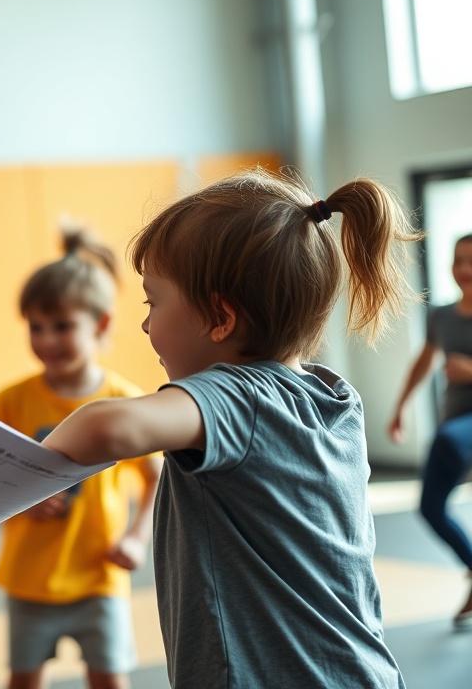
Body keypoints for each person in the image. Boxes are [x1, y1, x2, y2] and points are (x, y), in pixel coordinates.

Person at [40, 169, 411, 688]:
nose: (146, 325)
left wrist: (19, 472)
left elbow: (110, 428)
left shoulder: (240, 396)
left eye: (154, 301)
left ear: (220, 317)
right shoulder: (332, 397)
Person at [0, 226, 162, 689]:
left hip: (98, 577)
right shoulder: (12, 401)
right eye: (36, 327)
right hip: (29, 577)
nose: (47, 340)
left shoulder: (122, 401)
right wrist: (22, 499)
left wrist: (136, 538)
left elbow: (156, 478)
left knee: (108, 678)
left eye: (62, 326)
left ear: (101, 324)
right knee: (23, 679)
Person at [388, 232, 472, 628]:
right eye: (459, 260)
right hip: (454, 429)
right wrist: (401, 406)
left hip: (458, 435)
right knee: (430, 508)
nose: (465, 269)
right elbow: (424, 360)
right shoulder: (441, 315)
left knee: (447, 439)